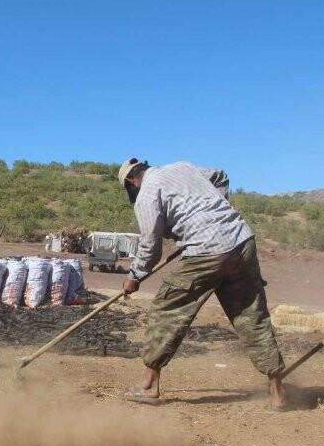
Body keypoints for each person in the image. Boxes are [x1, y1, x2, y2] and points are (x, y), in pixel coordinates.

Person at [118, 158, 287, 408]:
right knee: (252, 315)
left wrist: (134, 276)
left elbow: (150, 245)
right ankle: (277, 391)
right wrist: (213, 213)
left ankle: (149, 386)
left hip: (205, 251)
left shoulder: (147, 194)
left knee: (166, 311)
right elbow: (220, 176)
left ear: (132, 181)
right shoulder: (182, 167)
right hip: (241, 241)